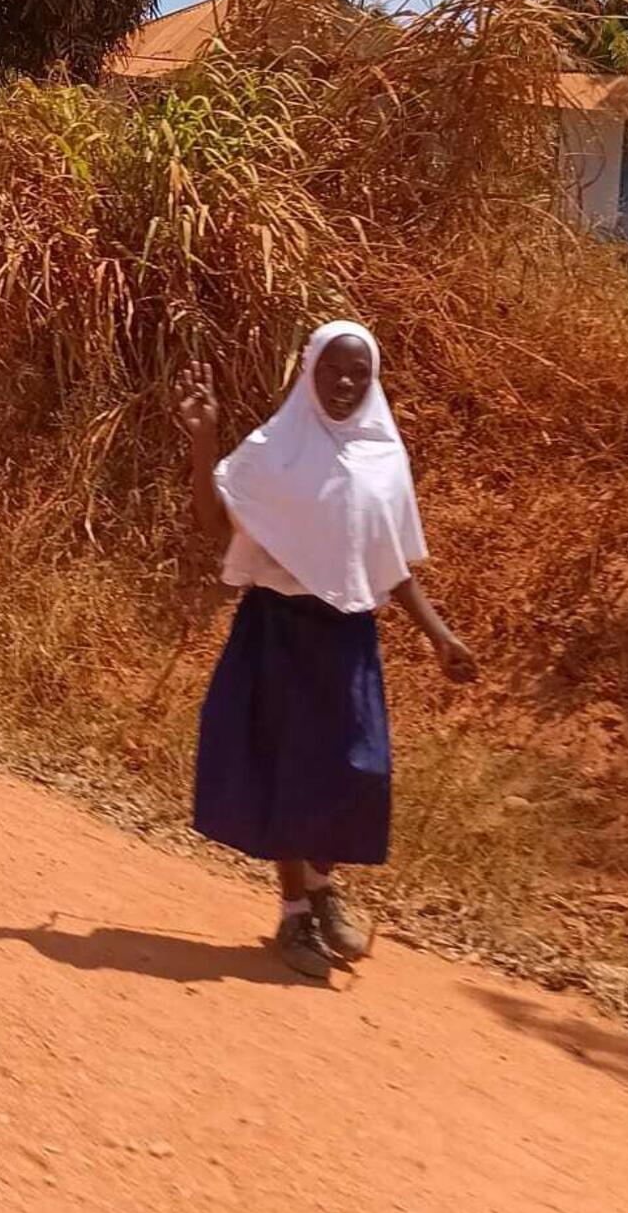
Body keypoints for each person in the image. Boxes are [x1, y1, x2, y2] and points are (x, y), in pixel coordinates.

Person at [177, 322, 478, 982]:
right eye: (332, 370)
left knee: (356, 770)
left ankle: (321, 884)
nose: (344, 383)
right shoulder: (273, 449)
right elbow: (211, 523)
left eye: (358, 373)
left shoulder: (383, 457)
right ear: (308, 370)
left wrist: (439, 634)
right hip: (280, 629)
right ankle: (293, 912)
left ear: (373, 381)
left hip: (349, 637)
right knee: (288, 771)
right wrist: (203, 440)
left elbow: (391, 562)